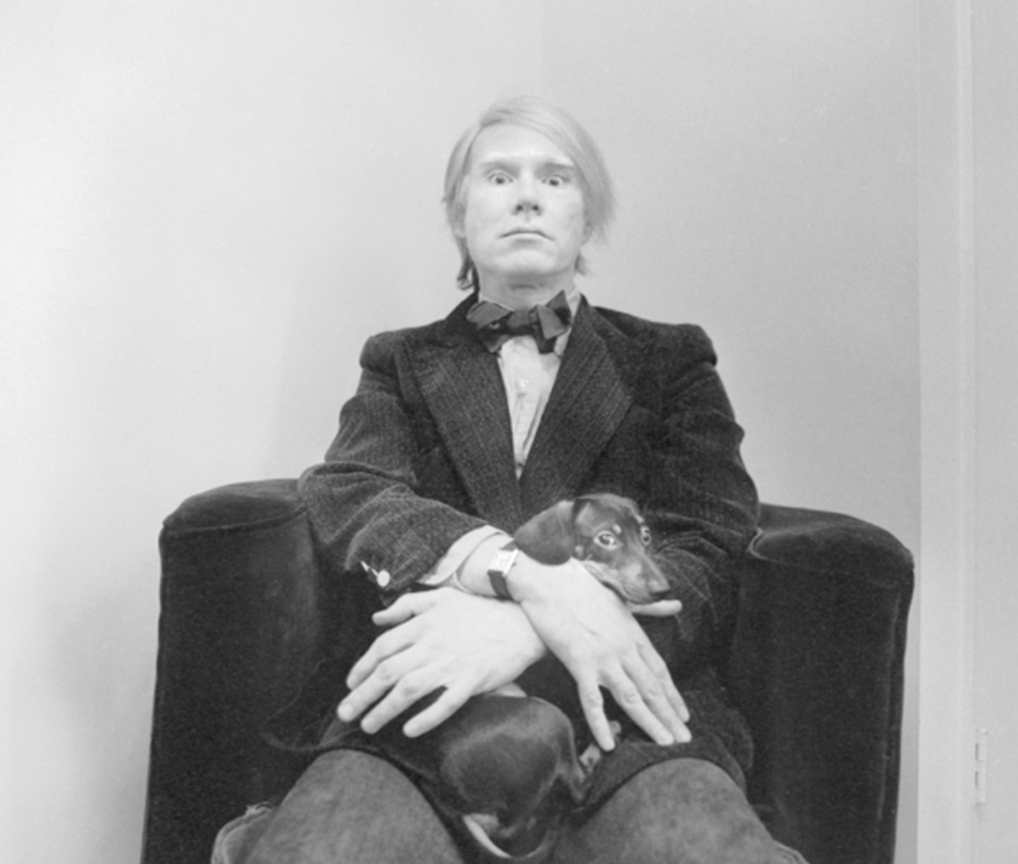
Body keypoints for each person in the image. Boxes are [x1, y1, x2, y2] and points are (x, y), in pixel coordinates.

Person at [213, 96, 808, 863]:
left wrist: (529, 626)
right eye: (499, 177)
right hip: (426, 715)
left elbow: (708, 541)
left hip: (632, 718)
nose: (527, 196)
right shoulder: (399, 361)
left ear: (587, 219)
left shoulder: (671, 361)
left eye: (556, 179)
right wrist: (519, 574)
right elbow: (355, 490)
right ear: (459, 215)